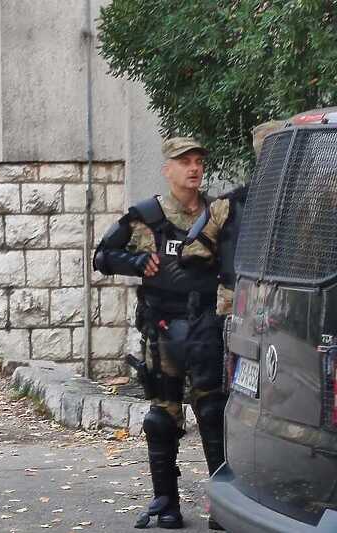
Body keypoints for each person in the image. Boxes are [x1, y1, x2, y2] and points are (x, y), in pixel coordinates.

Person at [93, 137, 224, 530]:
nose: (194, 168)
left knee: (214, 414)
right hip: (163, 332)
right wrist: (136, 261)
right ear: (168, 169)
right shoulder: (147, 216)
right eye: (185, 162)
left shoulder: (216, 215)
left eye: (199, 161)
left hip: (206, 329)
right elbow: (102, 256)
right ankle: (166, 502)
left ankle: (224, 504)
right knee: (162, 419)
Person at [181, 120, 285, 316]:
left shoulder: (226, 205)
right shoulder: (309, 202)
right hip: (286, 311)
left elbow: (191, 254)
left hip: (239, 310)